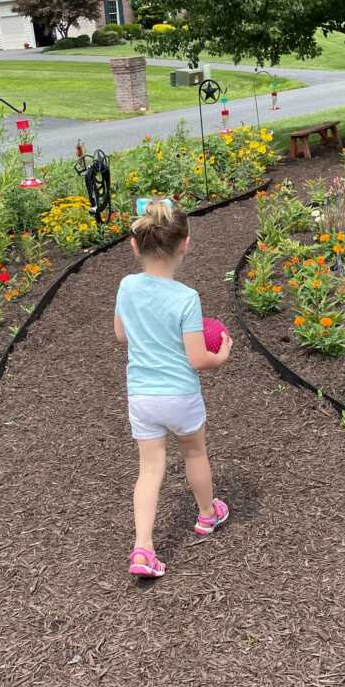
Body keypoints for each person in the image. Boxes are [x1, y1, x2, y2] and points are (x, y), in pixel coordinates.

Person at [114, 197, 233, 578]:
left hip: (143, 395)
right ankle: (206, 514)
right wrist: (222, 356)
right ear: (185, 244)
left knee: (149, 469)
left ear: (135, 245)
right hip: (180, 394)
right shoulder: (187, 298)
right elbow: (198, 358)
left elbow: (121, 335)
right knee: (195, 453)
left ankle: (143, 548)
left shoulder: (127, 286)